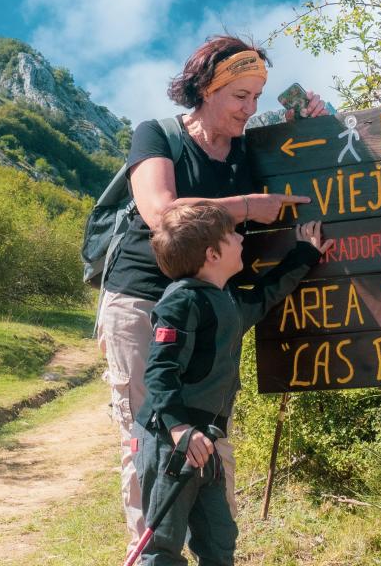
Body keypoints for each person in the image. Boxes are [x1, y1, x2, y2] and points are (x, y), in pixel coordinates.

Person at [96, 35, 328, 540]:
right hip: (141, 298)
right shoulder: (155, 135)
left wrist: (312, 126)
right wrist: (244, 207)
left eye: (258, 98)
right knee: (150, 433)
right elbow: (160, 213)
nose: (250, 109)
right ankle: (152, 549)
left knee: (209, 429)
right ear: (206, 88)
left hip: (212, 306)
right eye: (240, 96)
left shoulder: (249, 149)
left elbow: (304, 165)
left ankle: (215, 548)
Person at [134, 203, 331, 565]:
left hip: (206, 442)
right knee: (162, 546)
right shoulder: (180, 300)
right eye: (232, 235)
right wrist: (178, 428)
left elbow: (266, 295)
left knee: (219, 539)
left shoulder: (228, 299)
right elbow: (160, 369)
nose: (242, 238)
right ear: (212, 254)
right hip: (170, 445)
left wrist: (305, 252)